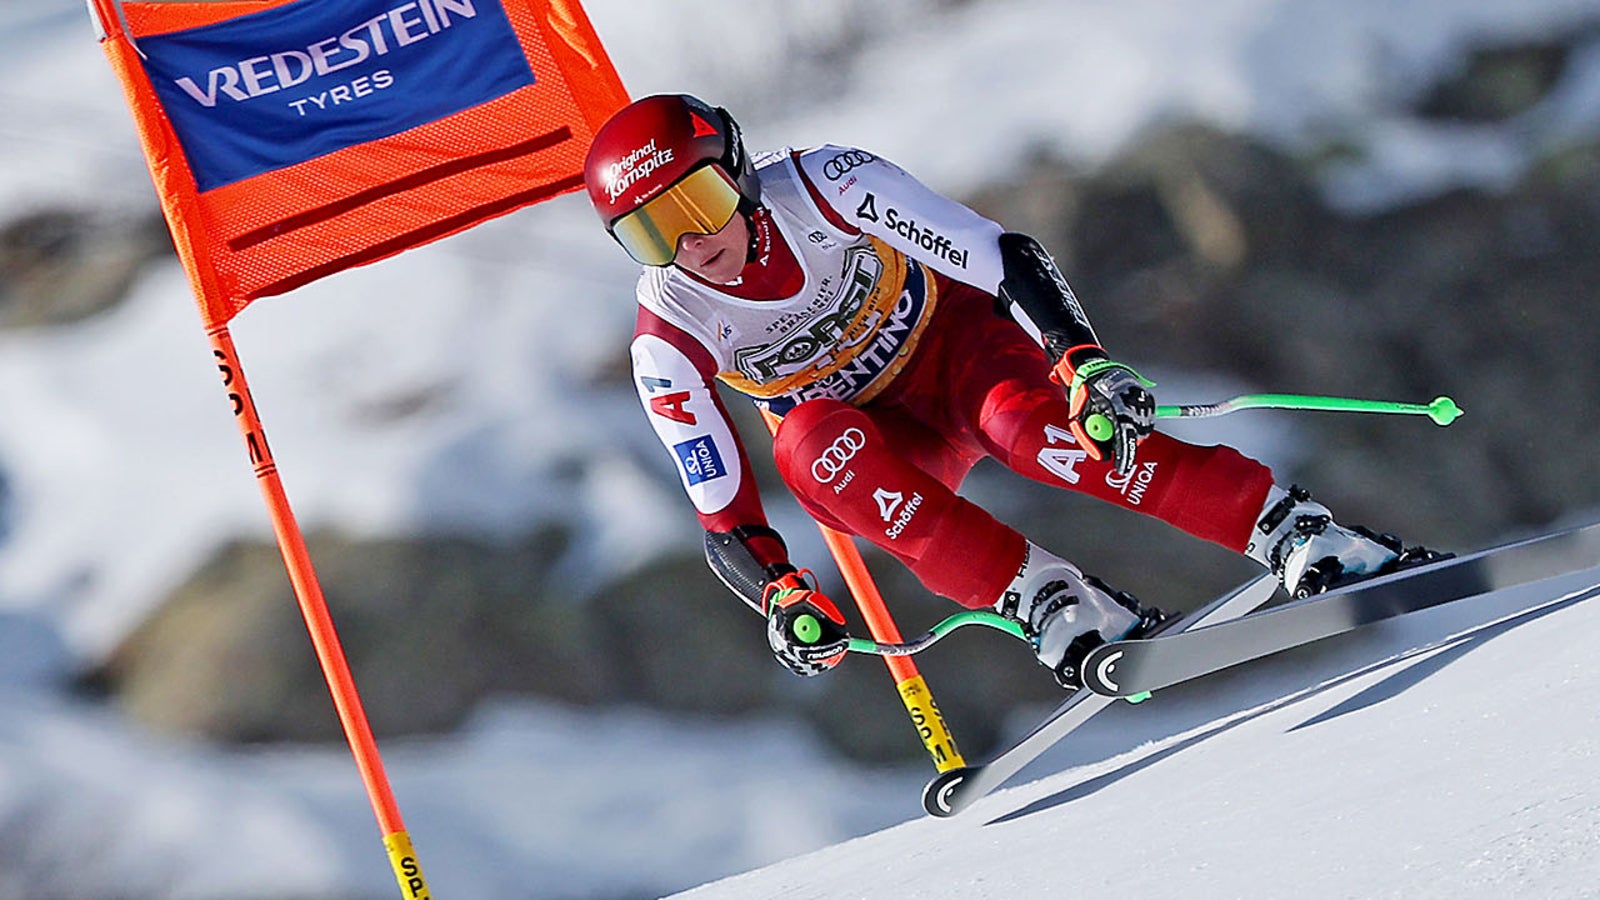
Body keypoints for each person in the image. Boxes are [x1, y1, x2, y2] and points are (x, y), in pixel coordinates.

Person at [581, 94, 1430, 688]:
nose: (692, 245)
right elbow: (724, 517)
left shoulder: (824, 184)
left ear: (737, 172)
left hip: (957, 356)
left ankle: (1294, 531)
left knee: (1042, 435)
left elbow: (999, 254)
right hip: (878, 444)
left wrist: (1080, 361)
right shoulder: (668, 336)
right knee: (808, 450)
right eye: (653, 233)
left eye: (698, 202)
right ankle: (1048, 599)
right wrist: (780, 595)